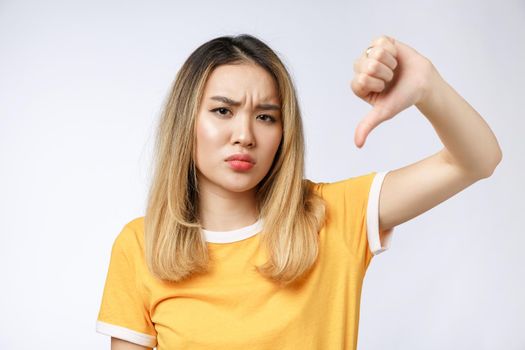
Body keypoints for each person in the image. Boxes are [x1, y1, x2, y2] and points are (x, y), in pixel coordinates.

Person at [95, 34, 502, 350]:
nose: (245, 135)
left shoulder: (335, 216)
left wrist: (428, 87)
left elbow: (476, 160)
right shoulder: (141, 245)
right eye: (223, 110)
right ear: (187, 121)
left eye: (266, 116)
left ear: (283, 132)